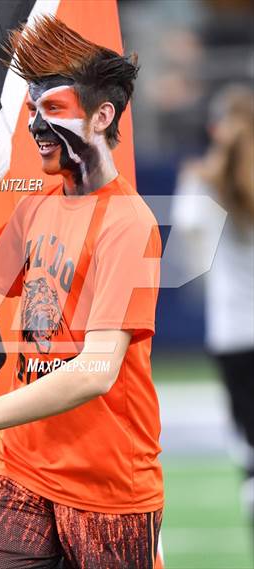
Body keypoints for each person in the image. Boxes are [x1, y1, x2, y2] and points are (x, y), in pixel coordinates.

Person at [0, 15, 163, 568]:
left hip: (109, 492)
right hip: (20, 472)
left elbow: (95, 372)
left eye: (53, 109)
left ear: (102, 116)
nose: (37, 125)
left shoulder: (130, 224)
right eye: (33, 110)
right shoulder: (37, 205)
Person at [172, 85, 254, 521]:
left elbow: (188, 255)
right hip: (237, 333)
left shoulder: (204, 183)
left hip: (233, 334)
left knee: (247, 447)